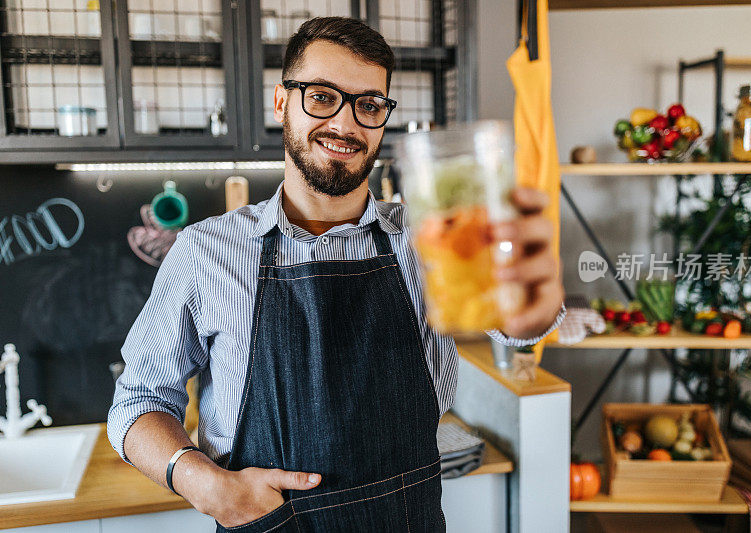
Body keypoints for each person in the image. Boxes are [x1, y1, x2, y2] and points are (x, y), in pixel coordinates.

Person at [107, 16, 565, 532]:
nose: (346, 125)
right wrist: (207, 486)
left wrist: (532, 306)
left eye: (369, 105)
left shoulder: (430, 240)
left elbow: (515, 322)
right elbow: (137, 404)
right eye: (322, 96)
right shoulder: (206, 252)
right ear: (281, 101)